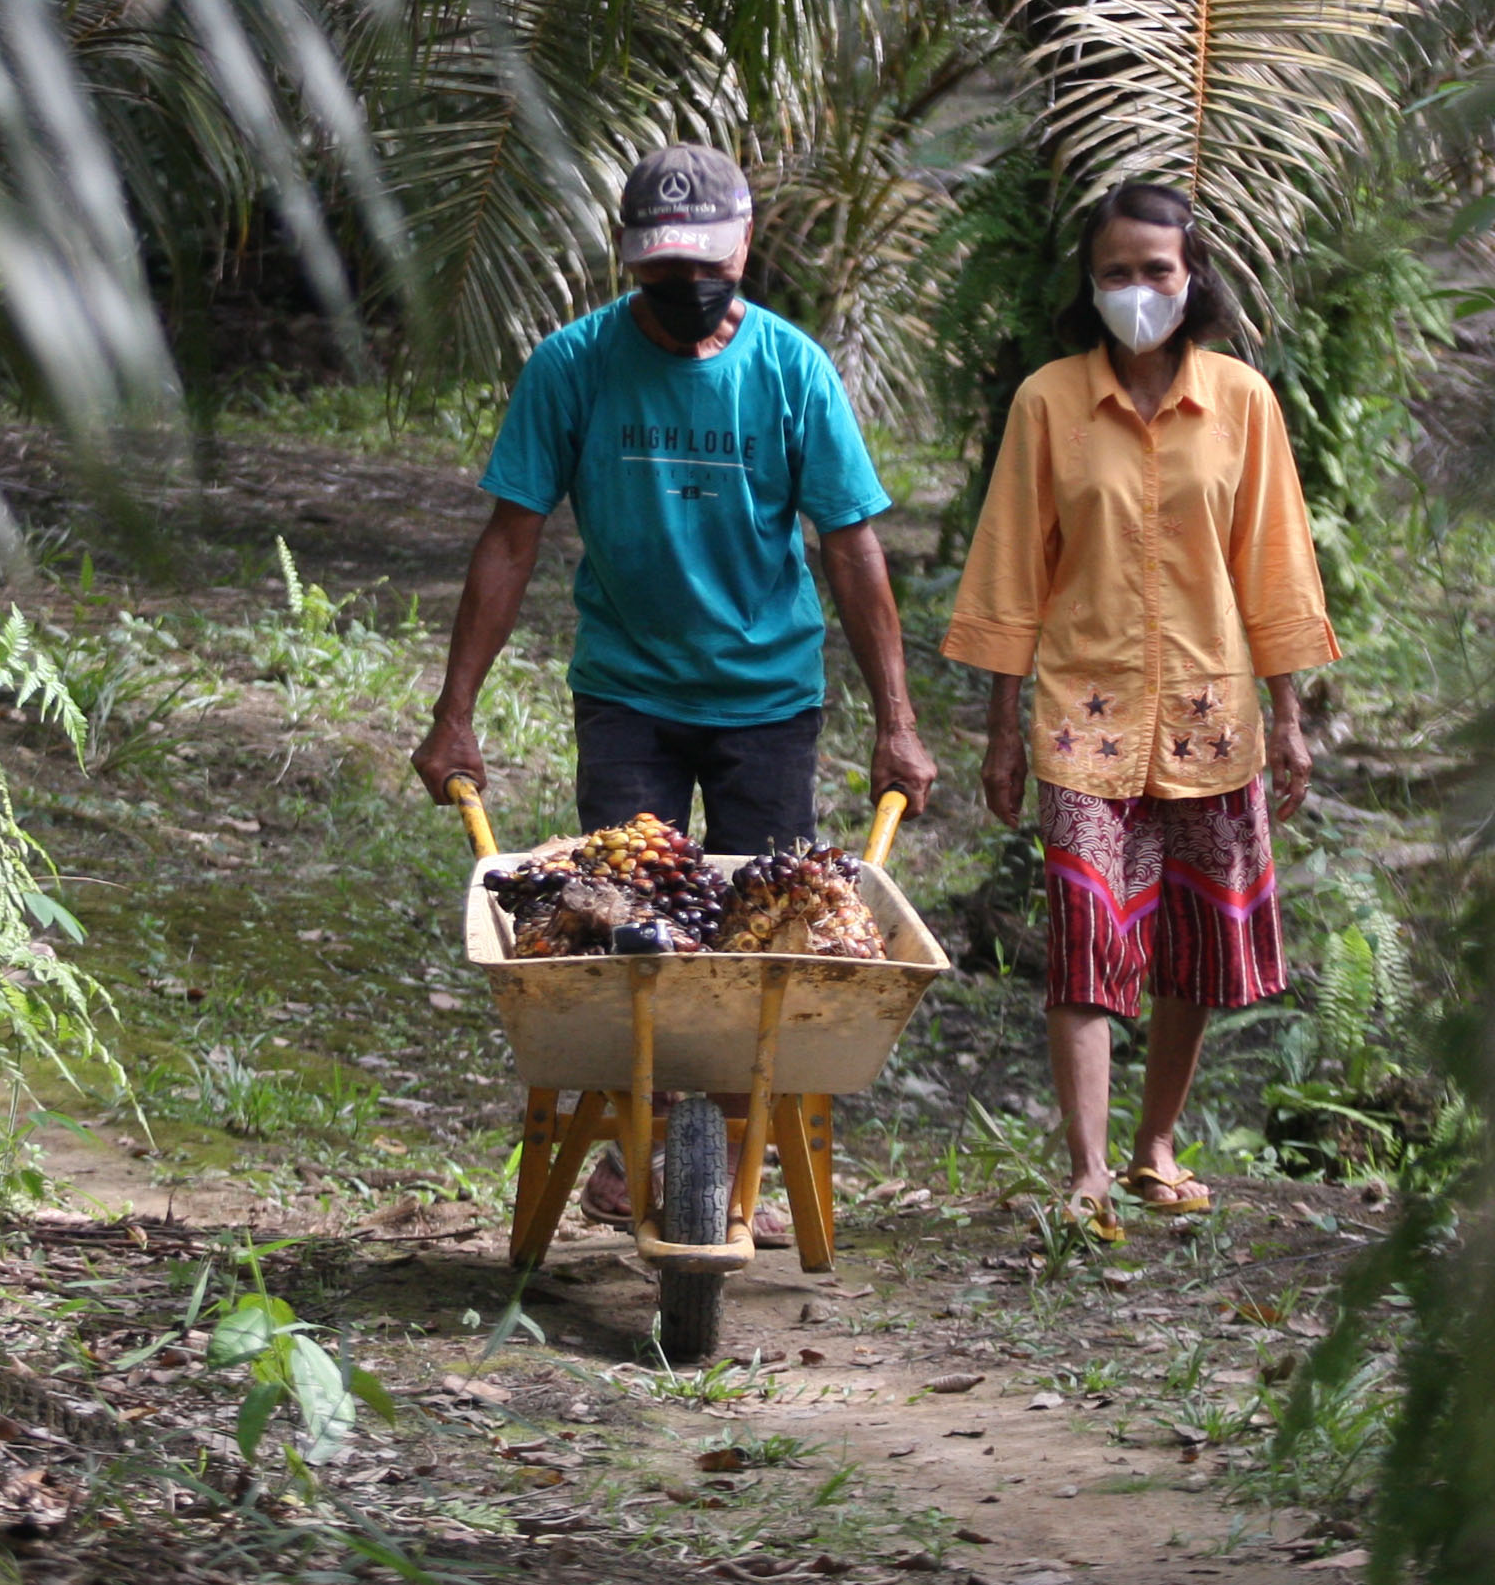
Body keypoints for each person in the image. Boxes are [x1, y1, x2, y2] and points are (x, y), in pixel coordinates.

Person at [415, 143, 943, 1235]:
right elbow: (510, 539)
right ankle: (636, 1145)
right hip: (630, 693)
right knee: (625, 936)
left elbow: (852, 548)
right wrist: (453, 714)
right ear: (630, 258)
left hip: (768, 699)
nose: (687, 285)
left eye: (706, 263)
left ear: (745, 246)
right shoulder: (573, 366)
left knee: (767, 941)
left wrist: (899, 724)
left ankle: (730, 1160)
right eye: (663, 268)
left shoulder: (791, 370)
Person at [943, 183, 1336, 1241]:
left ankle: (1155, 1145)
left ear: (1191, 276)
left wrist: (1290, 717)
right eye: (1114, 271)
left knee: (1192, 944)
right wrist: (999, 732)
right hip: (1085, 718)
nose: (1136, 290)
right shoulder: (1048, 403)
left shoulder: (1243, 401)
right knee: (1086, 934)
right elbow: (1011, 571)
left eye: (1155, 270)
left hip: (1213, 716)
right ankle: (1086, 1171)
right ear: (1090, 283)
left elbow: (1275, 566)